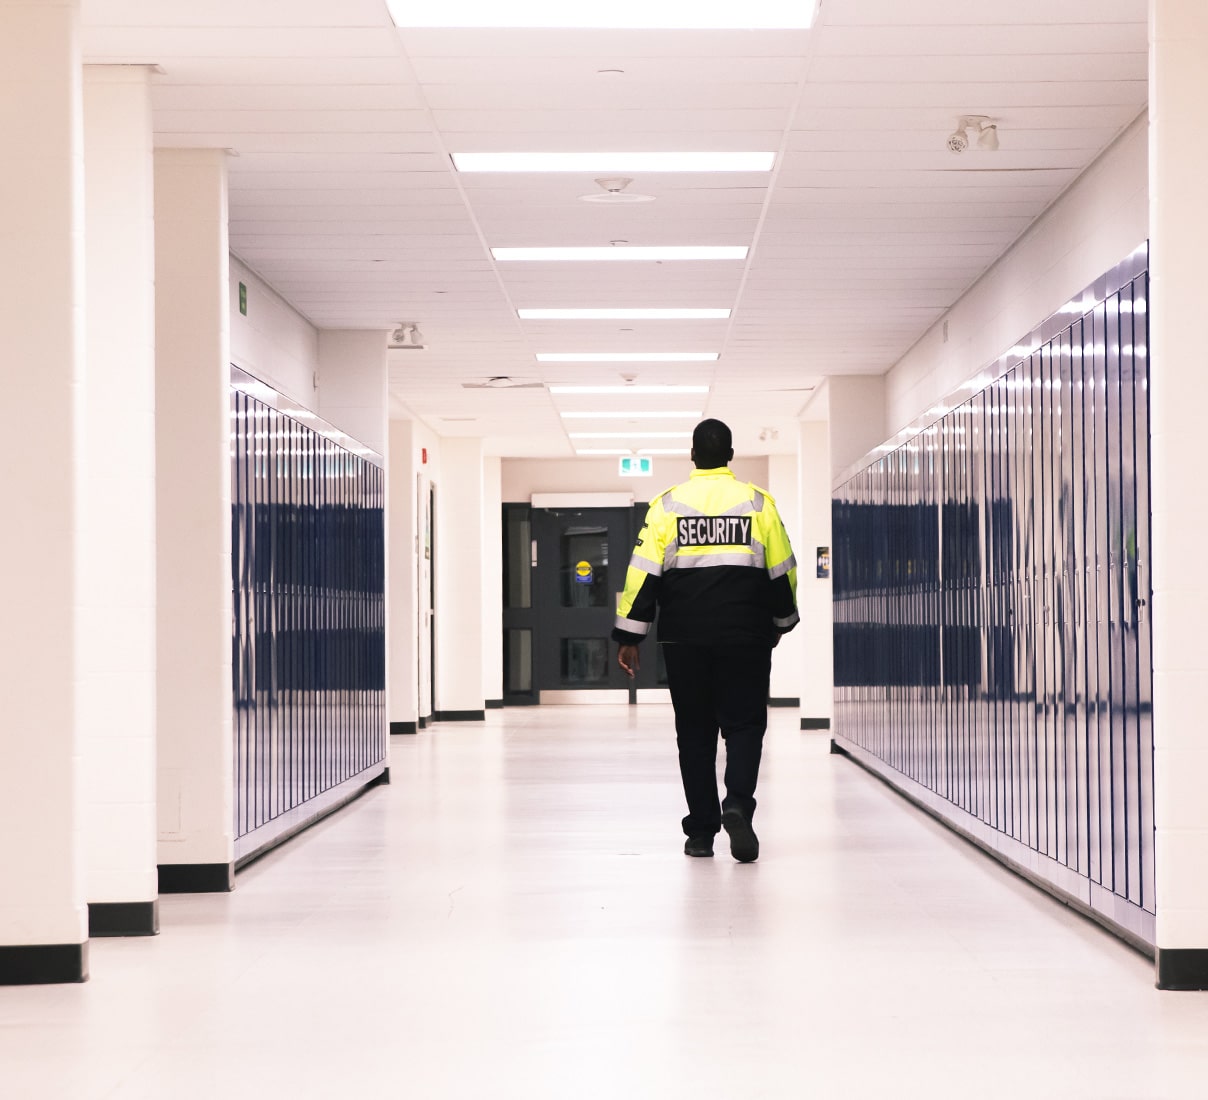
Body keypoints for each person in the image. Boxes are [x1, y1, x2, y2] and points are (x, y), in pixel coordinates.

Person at [612, 419, 799, 862]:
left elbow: (641, 575)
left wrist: (629, 634)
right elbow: (782, 571)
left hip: (685, 641)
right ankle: (737, 804)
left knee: (694, 734)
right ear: (730, 455)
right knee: (744, 726)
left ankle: (700, 833)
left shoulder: (666, 506)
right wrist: (780, 622)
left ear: (692, 456)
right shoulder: (758, 504)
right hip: (745, 637)